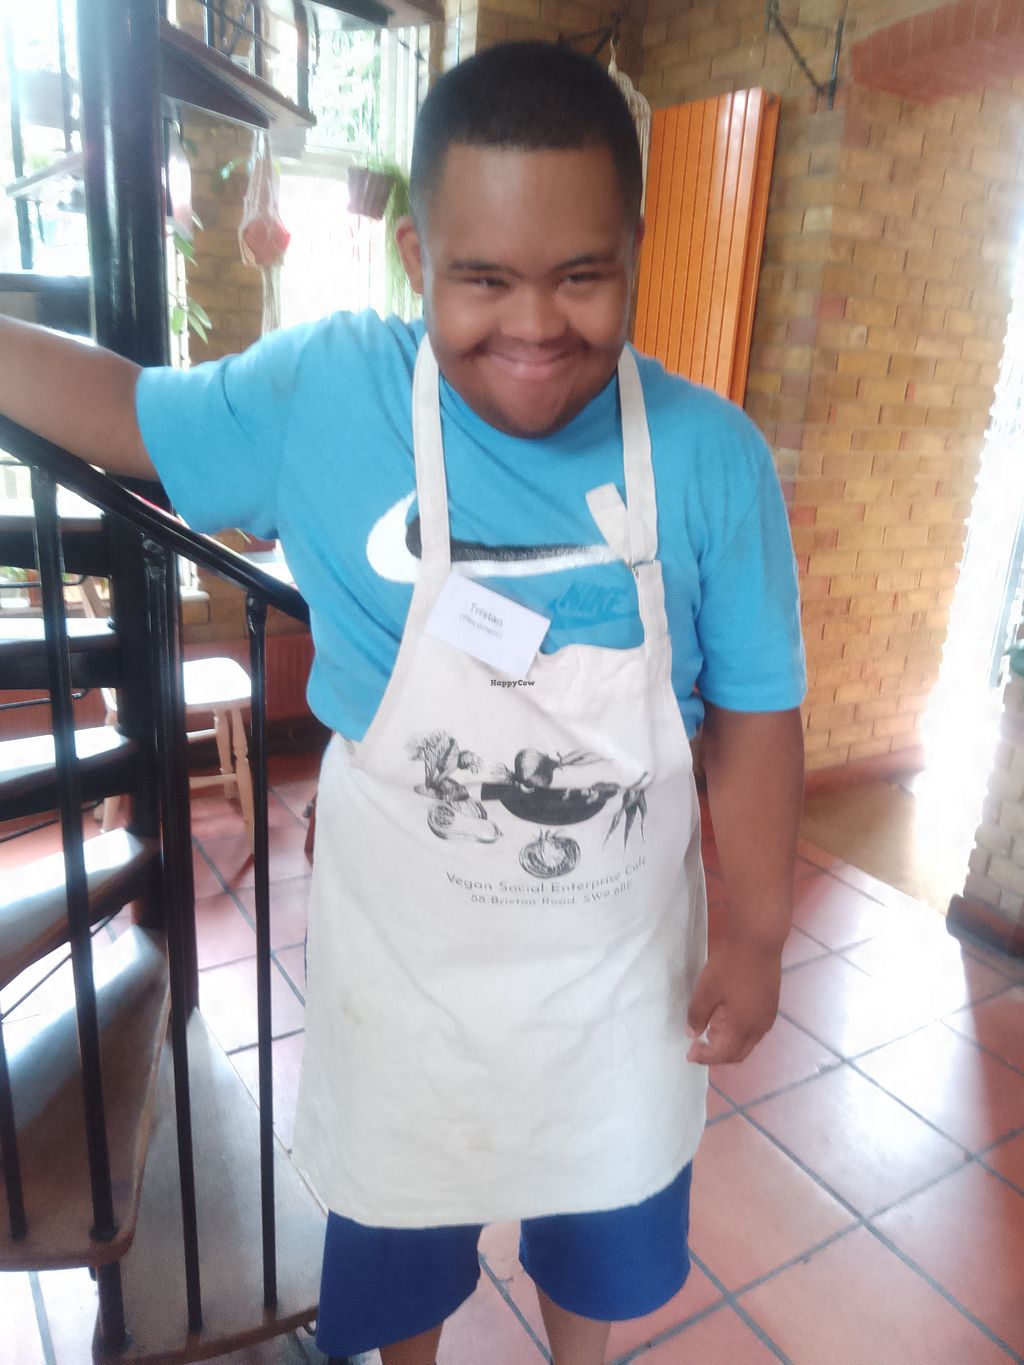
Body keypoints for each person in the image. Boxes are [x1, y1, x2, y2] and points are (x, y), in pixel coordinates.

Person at [0, 40, 805, 1365]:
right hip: (408, 986)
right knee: (401, 1244)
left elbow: (759, 716)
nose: (534, 326)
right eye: (482, 279)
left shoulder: (715, 460)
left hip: (620, 988)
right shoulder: (330, 396)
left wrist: (762, 930)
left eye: (582, 275)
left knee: (598, 1214)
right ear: (417, 256)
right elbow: (126, 411)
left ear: (636, 246)